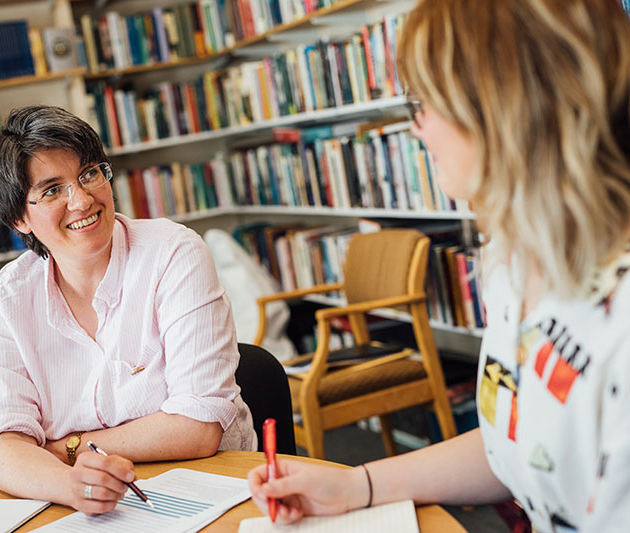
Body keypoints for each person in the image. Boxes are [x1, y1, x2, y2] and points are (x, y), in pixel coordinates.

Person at [247, 0, 630, 530]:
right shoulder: (512, 264)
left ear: (503, 107)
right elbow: (512, 447)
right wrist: (356, 485)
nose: (418, 130)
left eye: (423, 104)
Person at [0, 105, 256, 514]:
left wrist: (64, 448)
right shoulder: (5, 299)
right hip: (89, 509)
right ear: (18, 220)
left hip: (209, 487)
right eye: (51, 190)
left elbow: (199, 426)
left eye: (89, 174)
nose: (82, 200)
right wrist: (73, 485)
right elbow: (2, 445)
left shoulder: (173, 254)